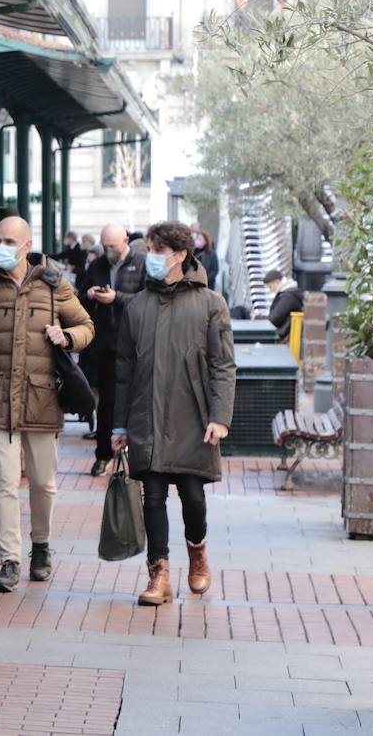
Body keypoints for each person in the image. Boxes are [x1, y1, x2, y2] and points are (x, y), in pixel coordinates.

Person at [0, 216, 94, 593]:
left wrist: (66, 336)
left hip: (42, 399)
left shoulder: (53, 286)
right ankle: (9, 560)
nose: (0, 247)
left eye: (8, 241)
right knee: (3, 481)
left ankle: (42, 546)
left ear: (27, 245)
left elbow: (87, 327)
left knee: (43, 483)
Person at [112, 220, 235, 606]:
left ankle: (197, 551)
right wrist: (118, 425)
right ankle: (159, 574)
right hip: (146, 416)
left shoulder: (210, 304)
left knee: (193, 496)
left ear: (180, 255)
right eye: (149, 249)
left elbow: (223, 365)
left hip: (192, 418)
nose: (150, 257)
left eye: (158, 251)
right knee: (152, 497)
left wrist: (220, 417)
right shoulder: (137, 306)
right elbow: (123, 371)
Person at [78, 224, 147, 477]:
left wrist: (116, 297)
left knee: (136, 402)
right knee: (106, 404)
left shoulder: (142, 262)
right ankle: (103, 455)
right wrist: (89, 295)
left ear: (125, 241)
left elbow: (148, 299)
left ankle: (136, 457)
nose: (108, 251)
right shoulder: (97, 266)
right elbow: (79, 298)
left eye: (113, 247)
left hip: (136, 343)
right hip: (105, 344)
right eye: (105, 246)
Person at [264, 269, 305, 343]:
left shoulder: (287, 297)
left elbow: (275, 318)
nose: (271, 290)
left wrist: (257, 318)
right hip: (285, 333)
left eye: (270, 286)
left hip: (282, 336)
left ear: (277, 282)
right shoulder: (289, 294)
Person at [191, 225, 220, 291]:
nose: (197, 241)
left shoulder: (211, 254)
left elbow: (215, 270)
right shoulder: (193, 252)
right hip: (194, 287)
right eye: (197, 238)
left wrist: (204, 280)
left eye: (200, 239)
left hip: (207, 286)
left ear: (205, 241)